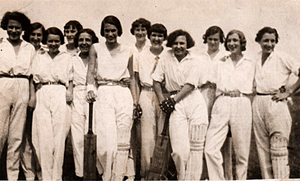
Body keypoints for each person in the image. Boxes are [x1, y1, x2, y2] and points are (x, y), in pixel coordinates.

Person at [151, 29, 208, 180]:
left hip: (193, 101)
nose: (178, 46)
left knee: (196, 147)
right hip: (175, 103)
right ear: (171, 44)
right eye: (175, 43)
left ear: (187, 44)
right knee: (179, 151)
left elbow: (190, 85)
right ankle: (182, 177)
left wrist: (172, 101)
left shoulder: (195, 60)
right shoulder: (165, 58)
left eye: (182, 43)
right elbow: (156, 80)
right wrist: (163, 100)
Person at [86, 15, 134, 180]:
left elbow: (132, 77)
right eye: (107, 30)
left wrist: (134, 102)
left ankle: (119, 176)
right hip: (104, 93)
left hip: (123, 94)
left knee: (122, 139)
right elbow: (91, 70)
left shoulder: (128, 50)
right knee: (106, 143)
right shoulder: (96, 48)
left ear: (118, 31)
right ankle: (106, 175)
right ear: (102, 31)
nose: (110, 34)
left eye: (113, 30)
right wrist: (90, 88)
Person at [204, 30, 255, 180]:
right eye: (230, 41)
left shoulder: (250, 63)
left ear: (242, 43)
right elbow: (212, 85)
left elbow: (261, 83)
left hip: (242, 103)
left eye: (235, 41)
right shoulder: (221, 63)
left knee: (242, 152)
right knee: (210, 148)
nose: (232, 44)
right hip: (222, 102)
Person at [252, 27, 300, 179]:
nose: (269, 44)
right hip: (259, 101)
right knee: (262, 148)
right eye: (266, 40)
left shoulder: (282, 57)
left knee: (279, 147)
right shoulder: (255, 58)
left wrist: (289, 91)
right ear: (259, 41)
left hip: (276, 102)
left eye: (272, 41)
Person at [31, 27, 73, 180]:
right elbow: (33, 78)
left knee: (59, 137)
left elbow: (71, 78)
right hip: (43, 93)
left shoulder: (67, 57)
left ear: (61, 42)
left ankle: (57, 177)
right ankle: (46, 176)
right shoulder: (39, 56)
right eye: (50, 41)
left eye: (56, 41)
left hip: (60, 93)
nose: (53, 44)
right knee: (43, 137)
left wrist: (70, 93)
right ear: (46, 42)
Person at [0, 11, 36, 181]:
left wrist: (31, 96)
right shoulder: (0, 44)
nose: (14, 30)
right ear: (5, 28)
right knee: (0, 132)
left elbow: (32, 76)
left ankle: (12, 175)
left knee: (16, 135)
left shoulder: (29, 48)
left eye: (17, 28)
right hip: (3, 85)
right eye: (10, 27)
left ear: (23, 29)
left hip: (22, 85)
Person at [132, 23, 167, 179]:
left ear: (164, 38)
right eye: (154, 35)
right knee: (147, 138)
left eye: (160, 36)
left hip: (164, 95)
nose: (156, 39)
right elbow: (134, 79)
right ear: (149, 36)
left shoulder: (168, 55)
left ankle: (161, 173)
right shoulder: (140, 55)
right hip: (146, 94)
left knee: (163, 134)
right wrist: (136, 101)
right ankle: (146, 174)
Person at [200, 26, 233, 180]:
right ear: (206, 39)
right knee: (202, 135)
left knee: (222, 138)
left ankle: (226, 176)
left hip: (220, 95)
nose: (213, 42)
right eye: (210, 39)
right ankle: (204, 175)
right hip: (202, 94)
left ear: (221, 41)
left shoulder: (226, 56)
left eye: (216, 39)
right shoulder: (199, 56)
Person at [71, 28, 98, 179]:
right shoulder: (72, 59)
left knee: (95, 133)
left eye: (88, 40)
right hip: (77, 95)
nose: (84, 43)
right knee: (77, 135)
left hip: (95, 95)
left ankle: (94, 171)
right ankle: (80, 173)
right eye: (81, 40)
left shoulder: (99, 59)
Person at [127, 17, 151, 181]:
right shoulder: (129, 50)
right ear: (133, 31)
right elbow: (133, 78)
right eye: (138, 29)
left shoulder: (152, 49)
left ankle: (148, 172)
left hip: (149, 93)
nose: (140, 32)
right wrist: (135, 101)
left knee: (147, 136)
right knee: (131, 134)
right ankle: (131, 172)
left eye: (143, 29)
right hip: (132, 92)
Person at [22, 22, 46, 180]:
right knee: (25, 136)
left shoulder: (46, 52)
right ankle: (29, 173)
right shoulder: (25, 50)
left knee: (40, 135)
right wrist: (32, 96)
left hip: (43, 98)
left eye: (39, 35)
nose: (36, 38)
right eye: (33, 35)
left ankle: (41, 172)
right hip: (26, 95)